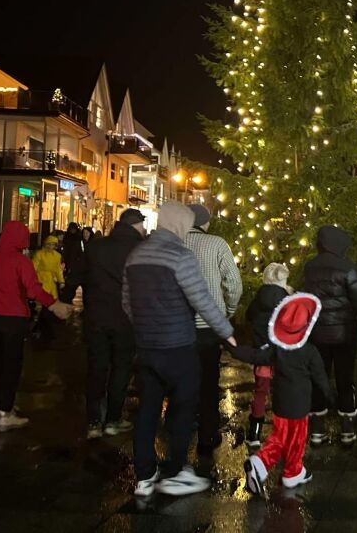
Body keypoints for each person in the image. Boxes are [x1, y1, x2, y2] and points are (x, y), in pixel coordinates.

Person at [122, 200, 237, 497]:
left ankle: (145, 475)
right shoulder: (179, 255)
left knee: (148, 409)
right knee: (185, 406)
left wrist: (144, 327)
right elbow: (201, 300)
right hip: (178, 344)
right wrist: (227, 331)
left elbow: (127, 300)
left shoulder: (137, 254)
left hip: (147, 346)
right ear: (178, 224)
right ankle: (175, 470)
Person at [234, 292, 332, 496]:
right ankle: (292, 471)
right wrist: (329, 395)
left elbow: (255, 355)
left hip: (280, 402)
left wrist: (231, 347)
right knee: (296, 440)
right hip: (299, 405)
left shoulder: (276, 349)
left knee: (280, 436)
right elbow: (320, 377)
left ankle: (260, 464)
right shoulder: (310, 351)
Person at [0, 222, 73, 431]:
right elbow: (33, 290)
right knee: (10, 364)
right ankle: (5, 412)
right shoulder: (21, 261)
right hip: (13, 318)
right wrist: (54, 304)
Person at [75, 208, 145, 439]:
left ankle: (93, 421)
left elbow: (79, 276)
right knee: (121, 368)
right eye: (142, 224)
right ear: (135, 225)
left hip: (96, 317)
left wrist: (65, 300)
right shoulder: (140, 250)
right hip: (126, 319)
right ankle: (113, 419)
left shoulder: (96, 246)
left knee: (96, 367)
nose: (144, 229)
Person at [304, 225, 357, 446]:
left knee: (319, 377)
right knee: (345, 378)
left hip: (317, 333)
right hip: (344, 333)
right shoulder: (347, 268)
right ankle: (347, 429)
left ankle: (317, 429)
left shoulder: (310, 267)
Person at [184, 204, 244, 454]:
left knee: (181, 380)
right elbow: (233, 284)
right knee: (209, 381)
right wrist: (227, 312)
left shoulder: (174, 242)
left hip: (178, 325)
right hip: (209, 326)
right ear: (206, 223)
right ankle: (207, 435)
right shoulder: (217, 244)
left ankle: (181, 431)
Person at [245, 262, 291, 448]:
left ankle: (254, 434)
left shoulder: (258, 300)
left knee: (260, 392)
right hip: (282, 355)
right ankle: (284, 434)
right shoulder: (287, 301)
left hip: (262, 354)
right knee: (284, 391)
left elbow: (249, 316)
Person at [31, 234, 64, 346]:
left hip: (50, 284)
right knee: (47, 309)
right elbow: (33, 268)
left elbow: (58, 270)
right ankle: (47, 332)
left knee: (47, 309)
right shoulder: (39, 254)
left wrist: (61, 281)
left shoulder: (57, 256)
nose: (51, 246)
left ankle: (39, 329)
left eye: (53, 245)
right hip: (41, 283)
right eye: (49, 244)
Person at [61, 222, 85, 303]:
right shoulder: (67, 237)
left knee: (71, 284)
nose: (72, 230)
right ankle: (67, 299)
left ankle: (67, 299)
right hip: (68, 262)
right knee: (69, 284)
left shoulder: (78, 238)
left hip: (75, 263)